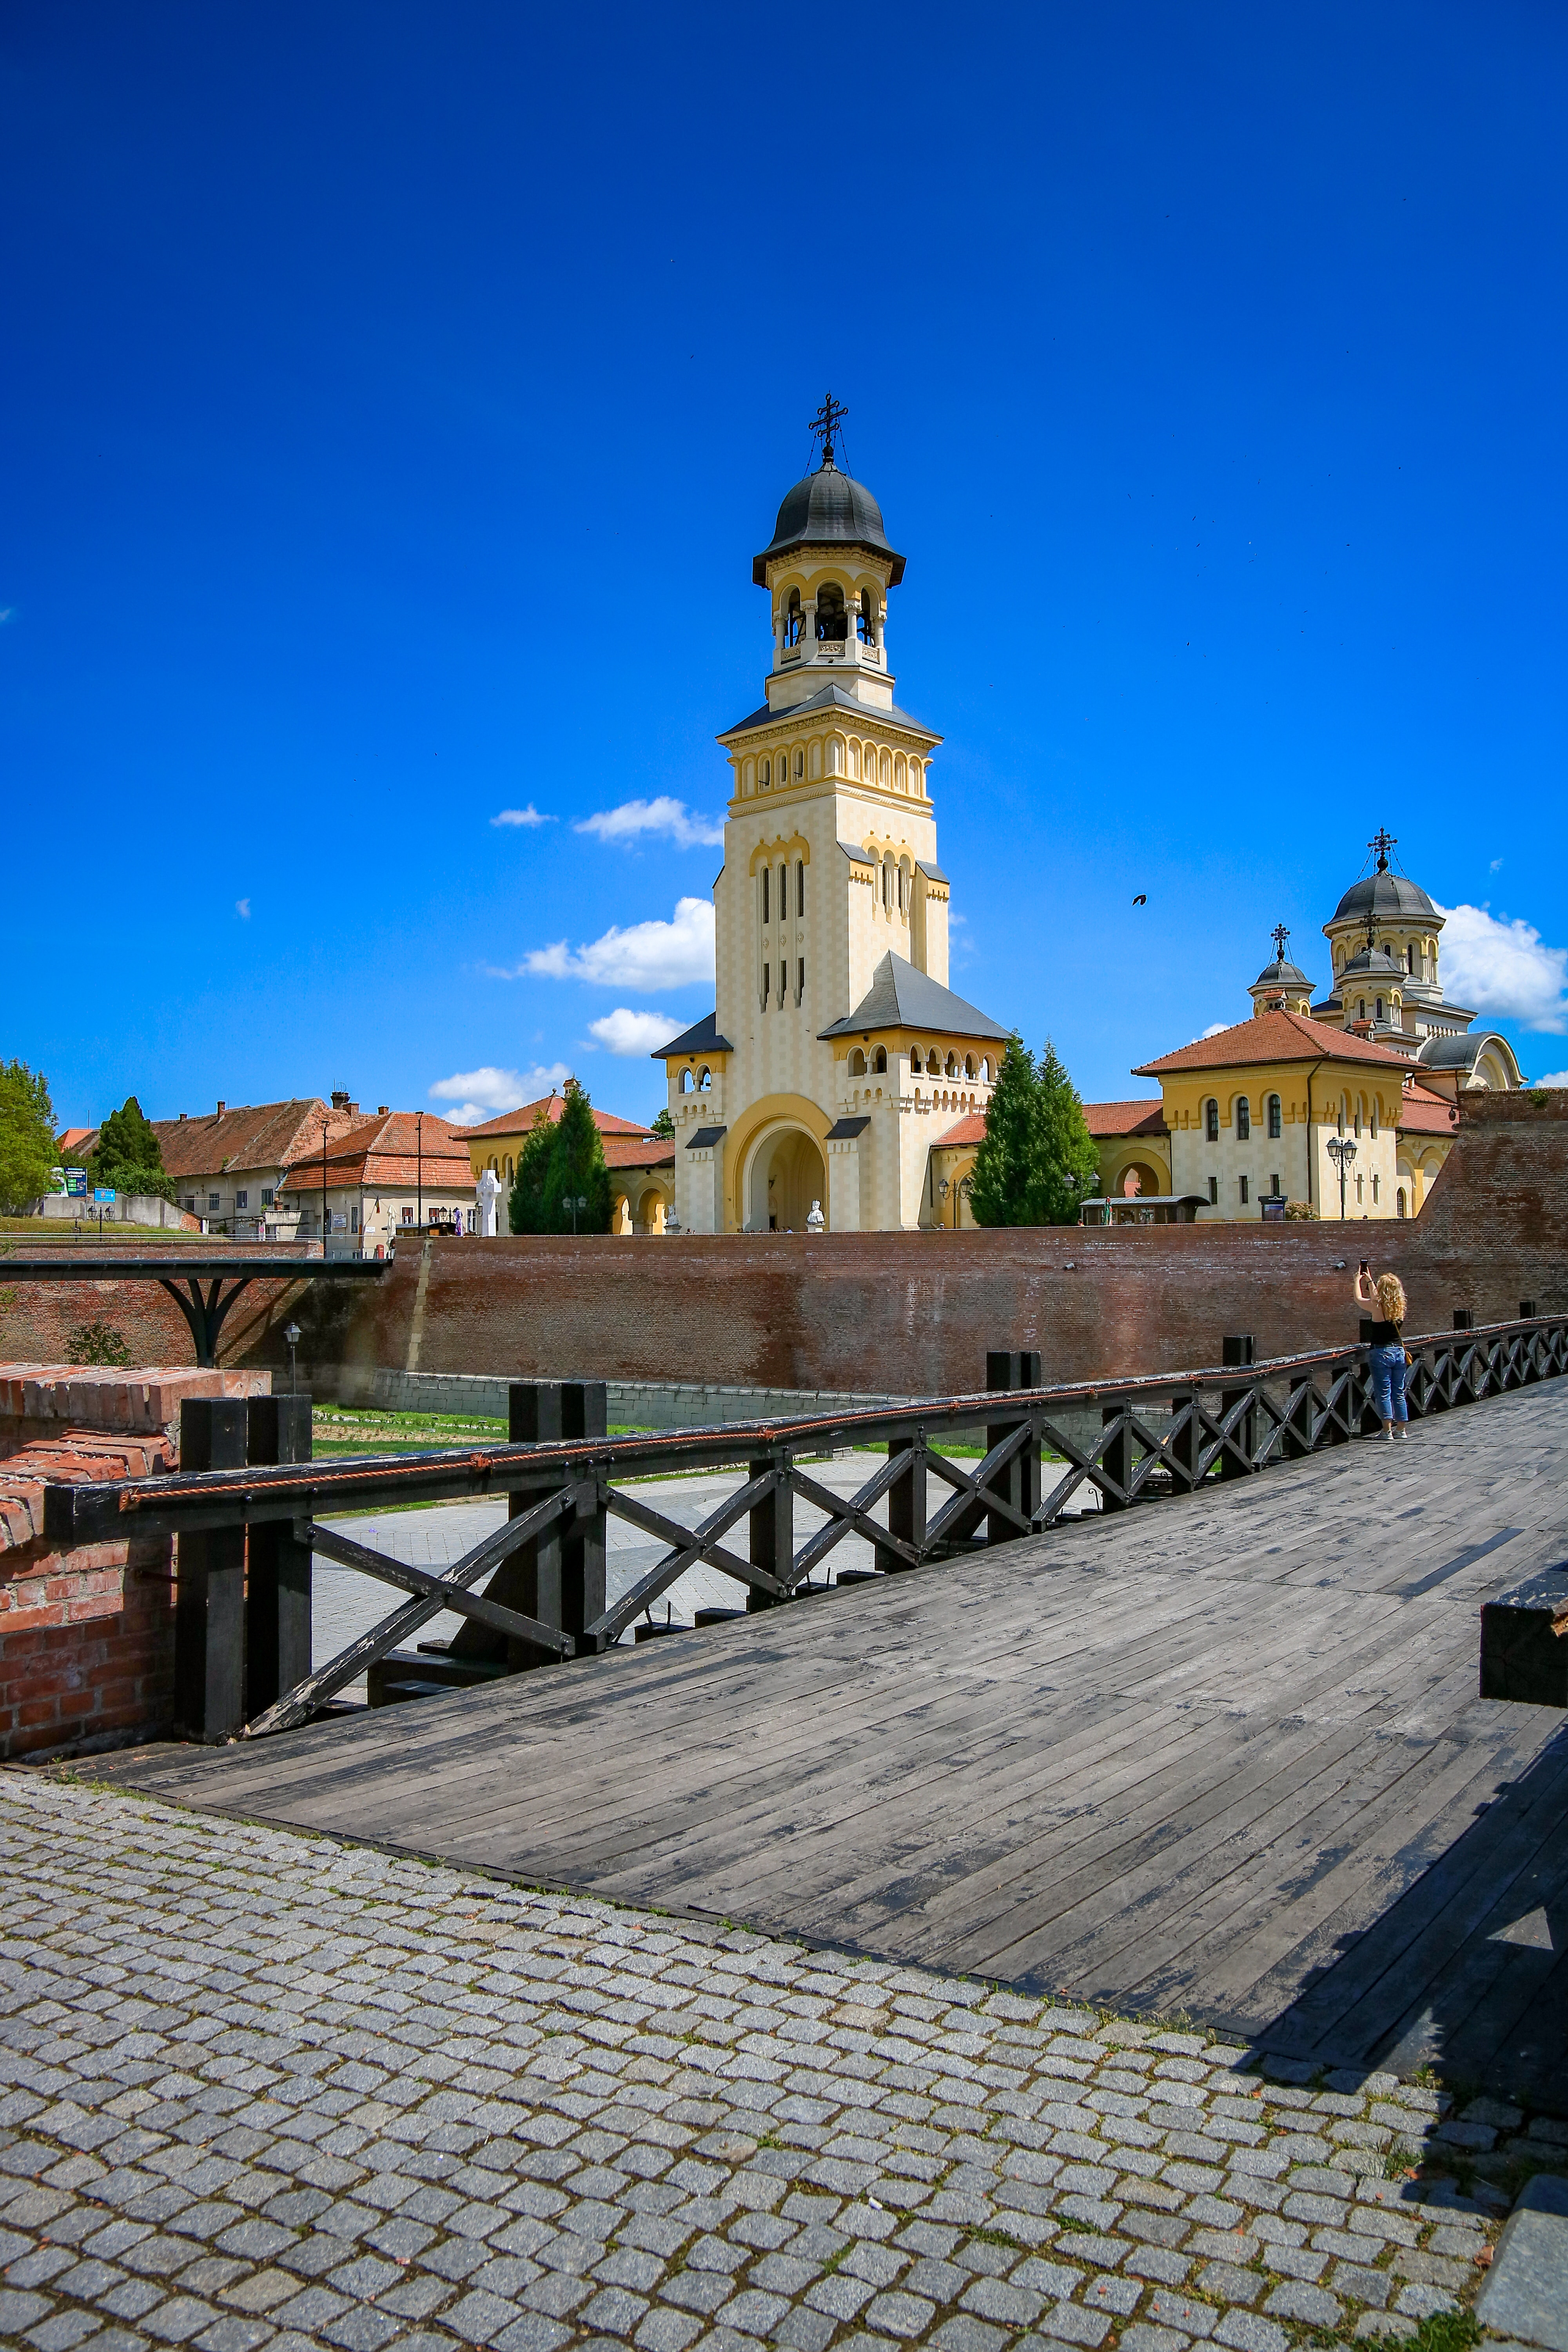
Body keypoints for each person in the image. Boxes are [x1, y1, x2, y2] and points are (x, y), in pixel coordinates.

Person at [1355, 1262, 1410, 1439]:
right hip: (1399, 1353)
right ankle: (1401, 1430)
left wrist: (1358, 1281)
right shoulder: (1400, 1308)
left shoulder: (1377, 1307)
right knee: (1398, 1392)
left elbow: (1358, 1299)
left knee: (1384, 1392)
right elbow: (1377, 1298)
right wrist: (1370, 1280)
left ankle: (1387, 1431)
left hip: (1381, 1353)